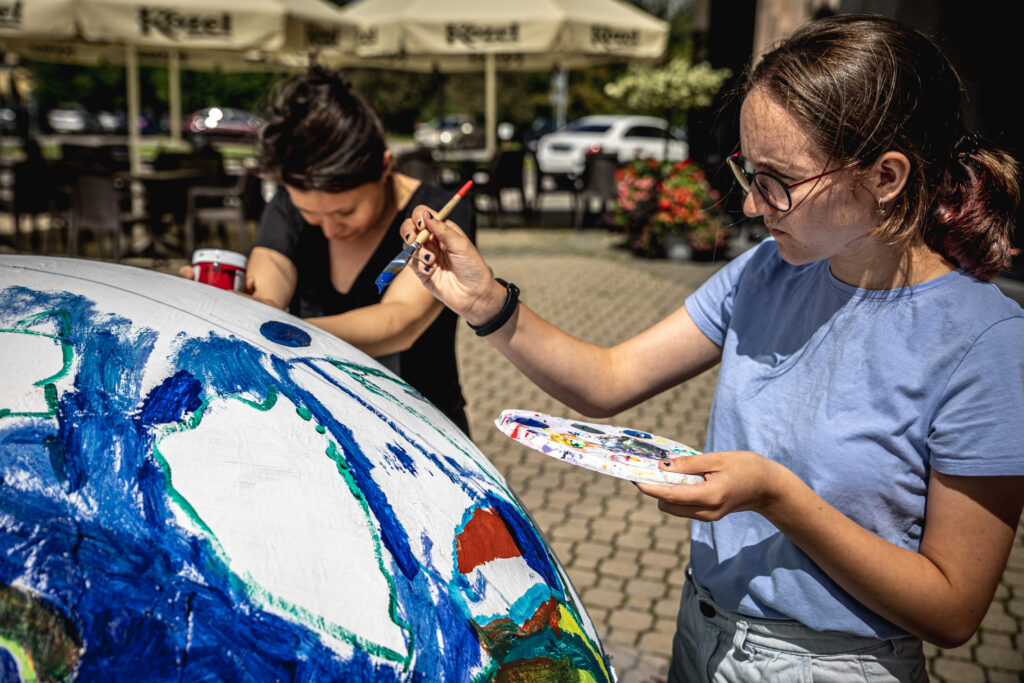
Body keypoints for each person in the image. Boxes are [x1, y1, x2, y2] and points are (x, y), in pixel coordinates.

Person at [400, 14, 1023, 681]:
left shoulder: (985, 342)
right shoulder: (767, 270)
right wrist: (485, 302)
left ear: (887, 175)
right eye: (746, 172)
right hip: (703, 631)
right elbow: (607, 379)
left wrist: (776, 496)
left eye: (777, 179)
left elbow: (954, 608)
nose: (753, 206)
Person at [183, 67, 475, 434]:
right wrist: (233, 305)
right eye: (311, 214)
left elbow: (399, 322)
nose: (331, 229)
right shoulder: (289, 204)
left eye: (345, 211)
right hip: (321, 421)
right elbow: (271, 276)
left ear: (384, 166)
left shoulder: (440, 213)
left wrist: (276, 328)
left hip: (423, 427)